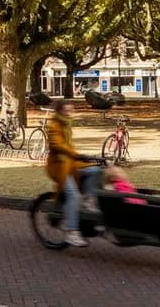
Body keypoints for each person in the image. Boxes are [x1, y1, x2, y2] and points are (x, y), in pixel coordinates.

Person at [45, 98, 102, 247]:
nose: (71, 113)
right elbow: (59, 145)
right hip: (59, 167)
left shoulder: (66, 123)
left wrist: (84, 157)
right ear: (60, 111)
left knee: (95, 170)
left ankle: (88, 201)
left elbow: (69, 146)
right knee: (73, 195)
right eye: (68, 110)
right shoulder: (54, 125)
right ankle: (72, 232)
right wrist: (76, 155)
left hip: (70, 164)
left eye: (72, 110)